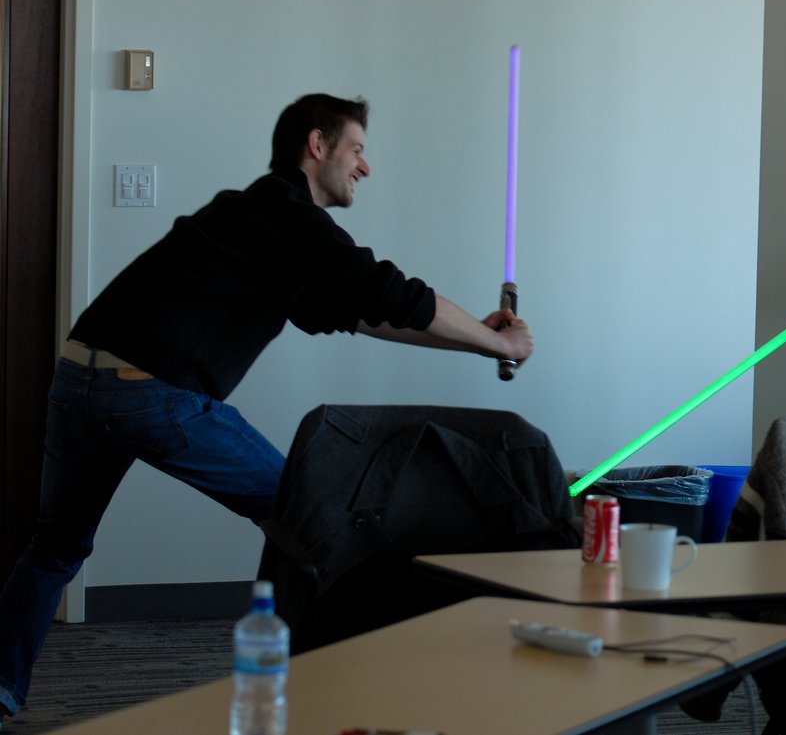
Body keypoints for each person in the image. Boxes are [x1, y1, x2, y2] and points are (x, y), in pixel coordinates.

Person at [0, 93, 534, 724]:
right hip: (151, 393)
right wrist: (497, 341)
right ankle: (344, 691)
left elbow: (364, 313)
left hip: (79, 380)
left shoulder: (258, 220)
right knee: (307, 519)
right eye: (357, 150)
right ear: (318, 145)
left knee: (56, 550)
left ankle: (0, 691)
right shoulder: (289, 215)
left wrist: (478, 333)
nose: (366, 167)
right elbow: (395, 291)